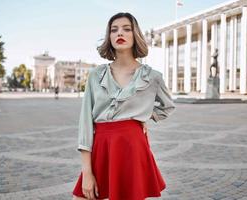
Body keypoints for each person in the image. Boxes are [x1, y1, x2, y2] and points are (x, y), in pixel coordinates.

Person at [72, 12, 176, 200]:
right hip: (101, 145)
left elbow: (168, 106)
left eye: (126, 29)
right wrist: (86, 172)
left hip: (133, 147)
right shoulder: (96, 75)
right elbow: (85, 123)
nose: (120, 33)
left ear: (135, 34)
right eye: (114, 30)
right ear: (109, 37)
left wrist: (145, 116)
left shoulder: (152, 76)